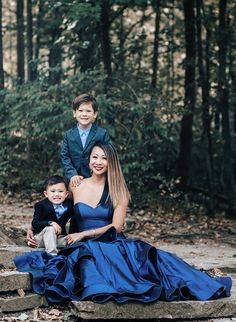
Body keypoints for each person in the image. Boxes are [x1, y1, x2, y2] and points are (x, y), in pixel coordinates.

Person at [14, 142, 232, 303]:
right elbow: (50, 206)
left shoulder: (119, 191)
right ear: (88, 160)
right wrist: (33, 227)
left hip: (109, 241)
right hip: (80, 246)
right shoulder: (76, 186)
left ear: (111, 162)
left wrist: (82, 234)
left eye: (104, 158)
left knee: (148, 266)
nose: (98, 162)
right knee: (83, 261)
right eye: (95, 157)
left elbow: (116, 227)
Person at [60, 93, 111, 187]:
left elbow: (109, 155)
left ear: (95, 114)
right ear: (74, 113)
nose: (84, 114)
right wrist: (72, 174)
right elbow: (65, 157)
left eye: (88, 111)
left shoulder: (101, 134)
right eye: (80, 110)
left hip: (97, 180)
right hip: (76, 181)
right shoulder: (68, 135)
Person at [27, 175, 74, 255]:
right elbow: (35, 223)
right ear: (46, 193)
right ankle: (52, 255)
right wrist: (51, 223)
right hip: (41, 237)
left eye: (60, 191)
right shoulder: (41, 205)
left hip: (58, 238)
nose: (56, 194)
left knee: (72, 240)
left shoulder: (69, 205)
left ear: (66, 194)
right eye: (52, 191)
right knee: (50, 229)